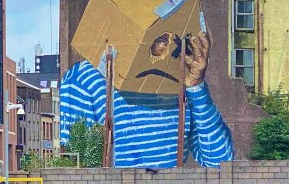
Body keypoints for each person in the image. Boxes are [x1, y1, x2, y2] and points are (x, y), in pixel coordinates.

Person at [60, 22, 233, 168]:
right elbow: (77, 165)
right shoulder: (83, 79)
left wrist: (197, 88)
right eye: (161, 38)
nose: (169, 46)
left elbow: (221, 164)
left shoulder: (183, 80)